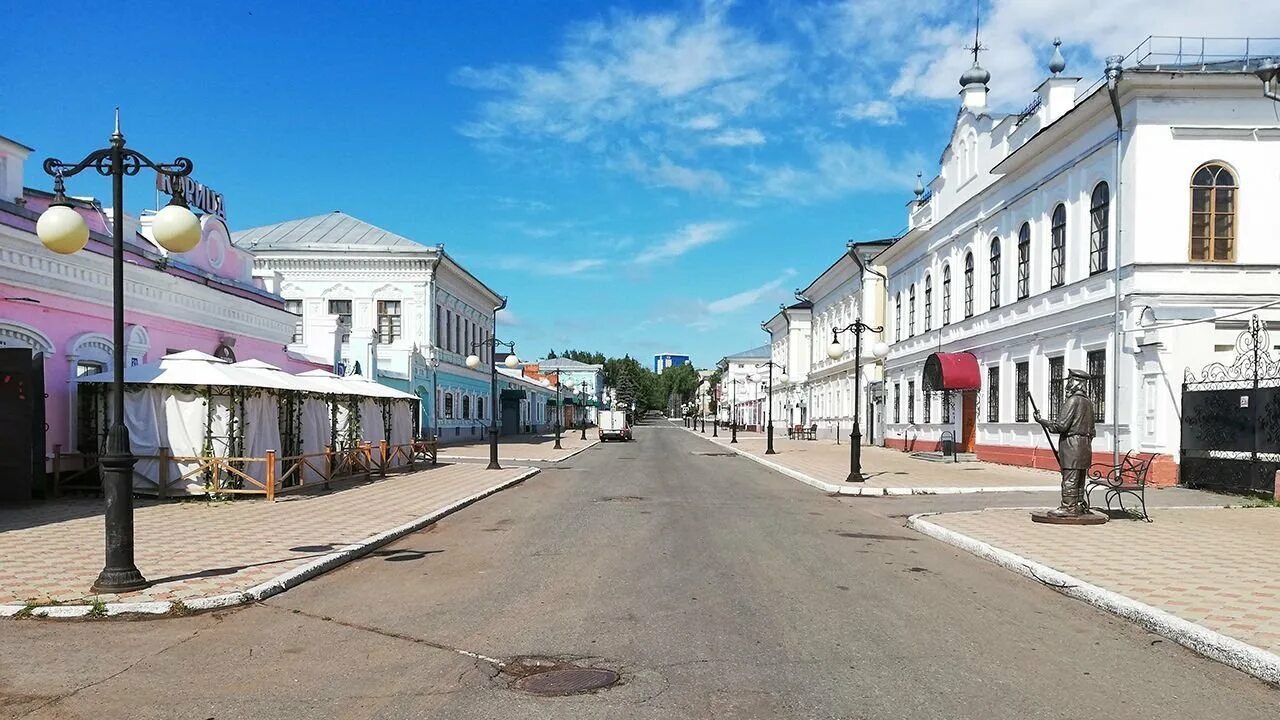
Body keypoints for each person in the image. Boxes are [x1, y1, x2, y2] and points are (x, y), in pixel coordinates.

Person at [1034, 369, 1096, 517]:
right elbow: (1093, 429)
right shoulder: (1088, 402)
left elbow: (1061, 426)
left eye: (1070, 381)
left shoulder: (1073, 401)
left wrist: (1042, 421)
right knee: (1080, 478)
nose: (1068, 384)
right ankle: (1079, 505)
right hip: (1085, 445)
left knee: (1070, 478)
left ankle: (1068, 507)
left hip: (1072, 445)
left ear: (1077, 383)